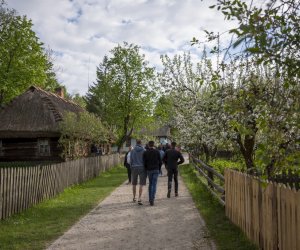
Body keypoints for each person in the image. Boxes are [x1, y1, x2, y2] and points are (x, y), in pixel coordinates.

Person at [143, 141, 162, 206]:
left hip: (149, 170)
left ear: (148, 145)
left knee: (150, 184)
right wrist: (159, 169)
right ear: (154, 145)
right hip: (156, 169)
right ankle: (152, 199)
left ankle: (150, 198)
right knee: (154, 184)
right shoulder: (157, 152)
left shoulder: (145, 152)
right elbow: (160, 161)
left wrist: (146, 169)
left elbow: (144, 162)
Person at [130, 140, 146, 205]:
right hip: (142, 167)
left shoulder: (132, 151)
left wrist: (131, 167)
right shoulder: (144, 150)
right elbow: (145, 160)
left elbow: (131, 160)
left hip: (134, 167)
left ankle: (134, 197)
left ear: (136, 143)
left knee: (134, 183)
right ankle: (139, 198)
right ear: (141, 143)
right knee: (141, 183)